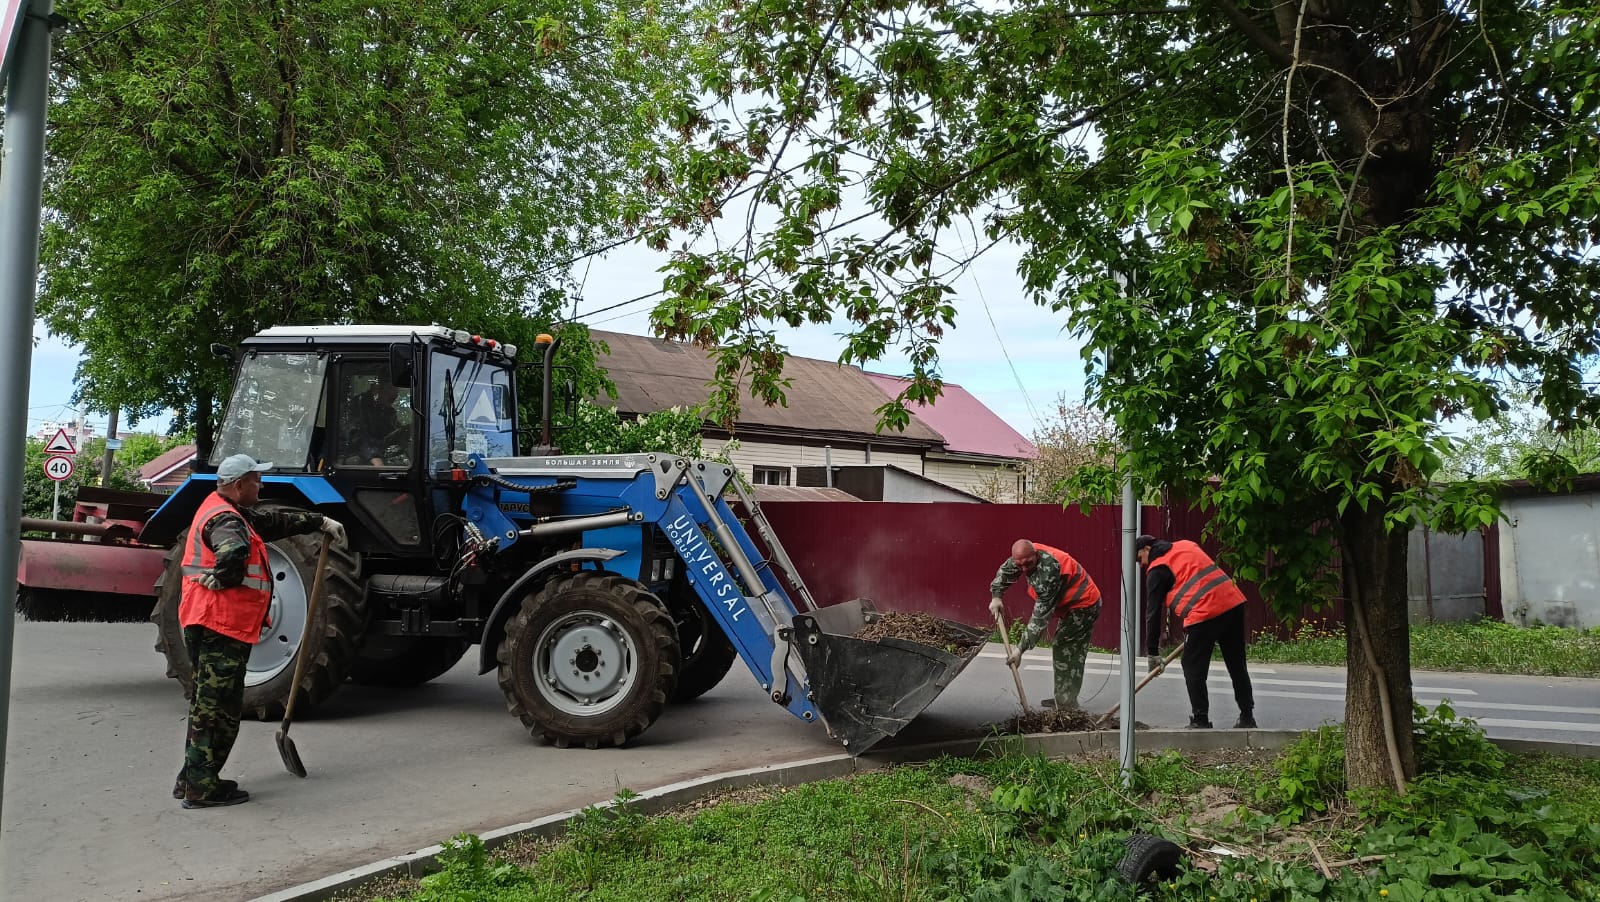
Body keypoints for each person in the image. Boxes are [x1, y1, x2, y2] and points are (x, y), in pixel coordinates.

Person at [172, 454, 347, 808]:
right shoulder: (225, 519)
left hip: (213, 621)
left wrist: (318, 521)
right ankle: (201, 788)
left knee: (210, 703)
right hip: (218, 624)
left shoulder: (228, 510)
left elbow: (272, 521)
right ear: (239, 485)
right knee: (217, 707)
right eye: (256, 480)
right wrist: (226, 573)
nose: (261, 486)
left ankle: (192, 777)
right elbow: (233, 549)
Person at [1136, 534, 1256, 729]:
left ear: (1148, 549)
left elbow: (1153, 613)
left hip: (1205, 612)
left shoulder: (1157, 569)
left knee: (1192, 667)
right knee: (1236, 664)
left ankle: (1200, 719)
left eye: (1139, 558)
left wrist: (1152, 653)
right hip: (1232, 603)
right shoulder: (1186, 545)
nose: (1141, 565)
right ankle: (1247, 717)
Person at [988, 539, 1103, 710]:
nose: (1024, 569)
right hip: (1070, 604)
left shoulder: (1049, 569)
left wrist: (1020, 649)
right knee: (1064, 646)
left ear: (1036, 555)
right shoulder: (1022, 557)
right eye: (1020, 565)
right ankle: (1064, 697)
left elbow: (1040, 616)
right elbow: (1005, 572)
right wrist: (996, 596)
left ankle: (1066, 702)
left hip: (1084, 603)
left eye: (1028, 564)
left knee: (1067, 648)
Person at [348, 380, 403, 466]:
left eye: (394, 398)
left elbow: (395, 433)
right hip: (352, 454)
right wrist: (373, 456)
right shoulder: (360, 405)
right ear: (377, 390)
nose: (392, 401)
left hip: (378, 451)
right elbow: (356, 433)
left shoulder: (389, 412)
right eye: (389, 395)